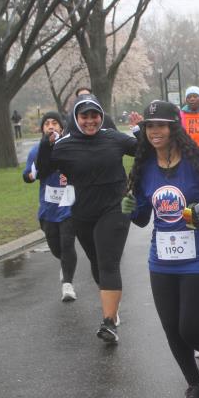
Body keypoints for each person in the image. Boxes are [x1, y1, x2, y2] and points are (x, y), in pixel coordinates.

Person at [122, 100, 199, 398]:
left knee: (190, 328)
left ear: (174, 128)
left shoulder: (196, 162)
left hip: (198, 258)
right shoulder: (145, 168)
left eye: (161, 125)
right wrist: (130, 209)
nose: (154, 131)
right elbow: (142, 218)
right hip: (161, 260)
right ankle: (195, 385)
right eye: (149, 126)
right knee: (172, 328)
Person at [36, 94, 137, 343]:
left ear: (101, 117)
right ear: (76, 118)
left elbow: (143, 151)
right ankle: (111, 305)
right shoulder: (64, 145)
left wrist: (139, 130)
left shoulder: (113, 138)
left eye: (95, 116)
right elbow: (43, 169)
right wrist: (46, 145)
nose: (90, 121)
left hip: (115, 208)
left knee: (108, 262)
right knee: (96, 261)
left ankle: (109, 322)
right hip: (82, 213)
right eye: (85, 116)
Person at [24, 112, 78, 302]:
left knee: (67, 243)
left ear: (61, 127)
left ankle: (68, 284)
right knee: (56, 247)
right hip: (48, 208)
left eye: (55, 123)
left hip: (69, 206)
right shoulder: (36, 151)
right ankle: (65, 264)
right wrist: (31, 175)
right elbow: (27, 176)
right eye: (46, 123)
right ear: (42, 129)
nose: (51, 126)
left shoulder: (71, 147)